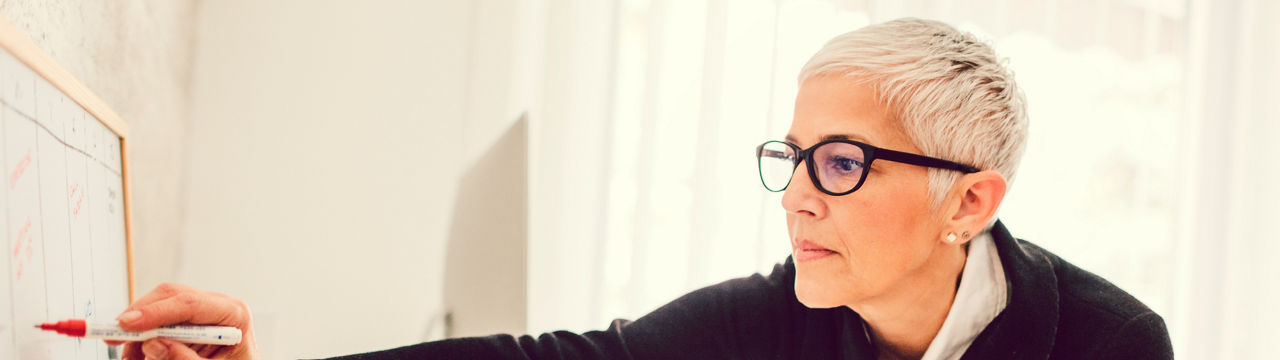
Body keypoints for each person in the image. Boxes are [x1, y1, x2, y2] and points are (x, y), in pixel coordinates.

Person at [111, 18, 1173, 360]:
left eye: (840, 163)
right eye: (792, 157)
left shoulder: (1110, 342)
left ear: (969, 204)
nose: (798, 196)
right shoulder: (781, 315)